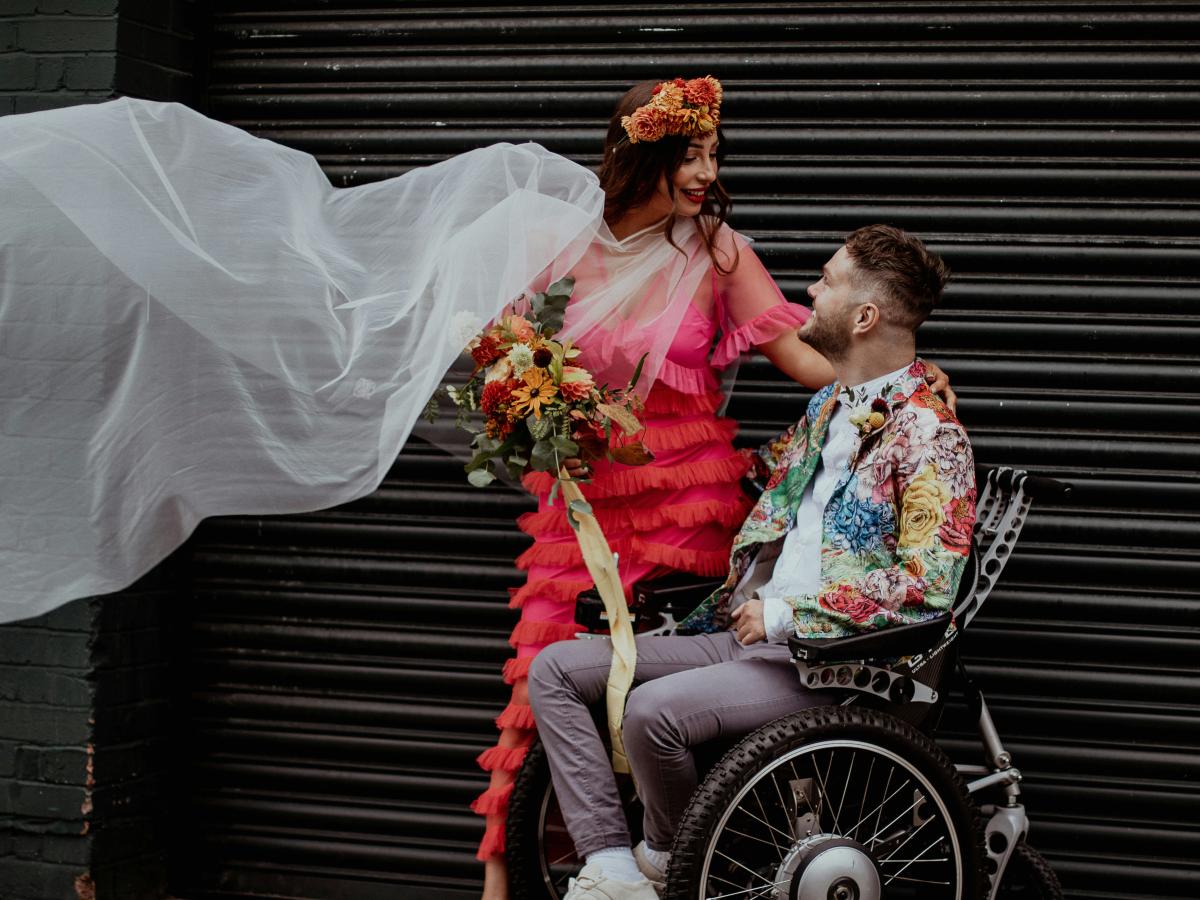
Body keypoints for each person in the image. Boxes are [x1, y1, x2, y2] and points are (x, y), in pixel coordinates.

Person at [472, 78, 955, 898]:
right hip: (587, 505)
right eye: (690, 154)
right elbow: (504, 354)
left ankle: (689, 866)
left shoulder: (718, 250)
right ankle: (553, 875)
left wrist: (912, 389)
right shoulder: (562, 248)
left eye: (712, 153)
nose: (708, 170)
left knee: (667, 711)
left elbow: (813, 361)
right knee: (541, 681)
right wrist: (531, 401)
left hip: (688, 501)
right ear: (644, 154)